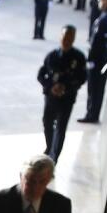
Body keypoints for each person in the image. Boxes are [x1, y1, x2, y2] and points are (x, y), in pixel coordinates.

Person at [38, 24, 88, 161]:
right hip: (51, 98)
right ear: (60, 37)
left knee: (60, 128)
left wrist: (66, 88)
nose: (67, 40)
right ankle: (49, 147)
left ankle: (54, 158)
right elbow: (41, 75)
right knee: (47, 123)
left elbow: (82, 78)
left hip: (67, 99)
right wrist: (50, 87)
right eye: (65, 36)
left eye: (70, 37)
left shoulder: (78, 58)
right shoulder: (52, 56)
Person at [78, 0, 107, 124]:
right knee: (97, 89)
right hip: (101, 59)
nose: (99, 1)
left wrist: (90, 60)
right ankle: (92, 113)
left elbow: (98, 41)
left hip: (98, 60)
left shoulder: (106, 18)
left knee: (94, 88)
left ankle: (92, 114)